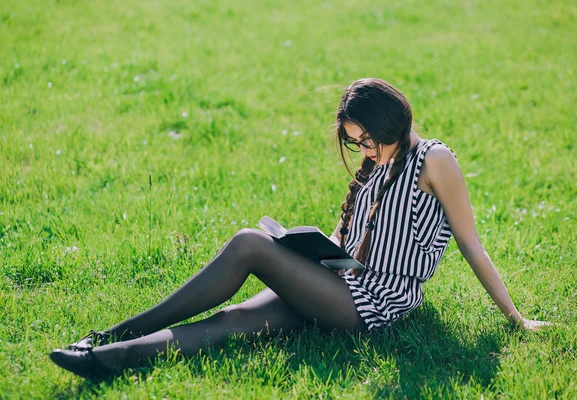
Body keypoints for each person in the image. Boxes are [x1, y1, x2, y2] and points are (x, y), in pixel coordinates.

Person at [49, 77, 549, 379]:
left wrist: (517, 318)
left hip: (375, 303)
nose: (364, 150)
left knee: (249, 245)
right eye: (355, 142)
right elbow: (345, 243)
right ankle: (106, 352)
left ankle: (120, 332)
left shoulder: (433, 160)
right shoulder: (377, 166)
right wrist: (312, 250)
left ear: (393, 120)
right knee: (233, 323)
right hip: (339, 282)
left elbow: (470, 244)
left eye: (367, 138)